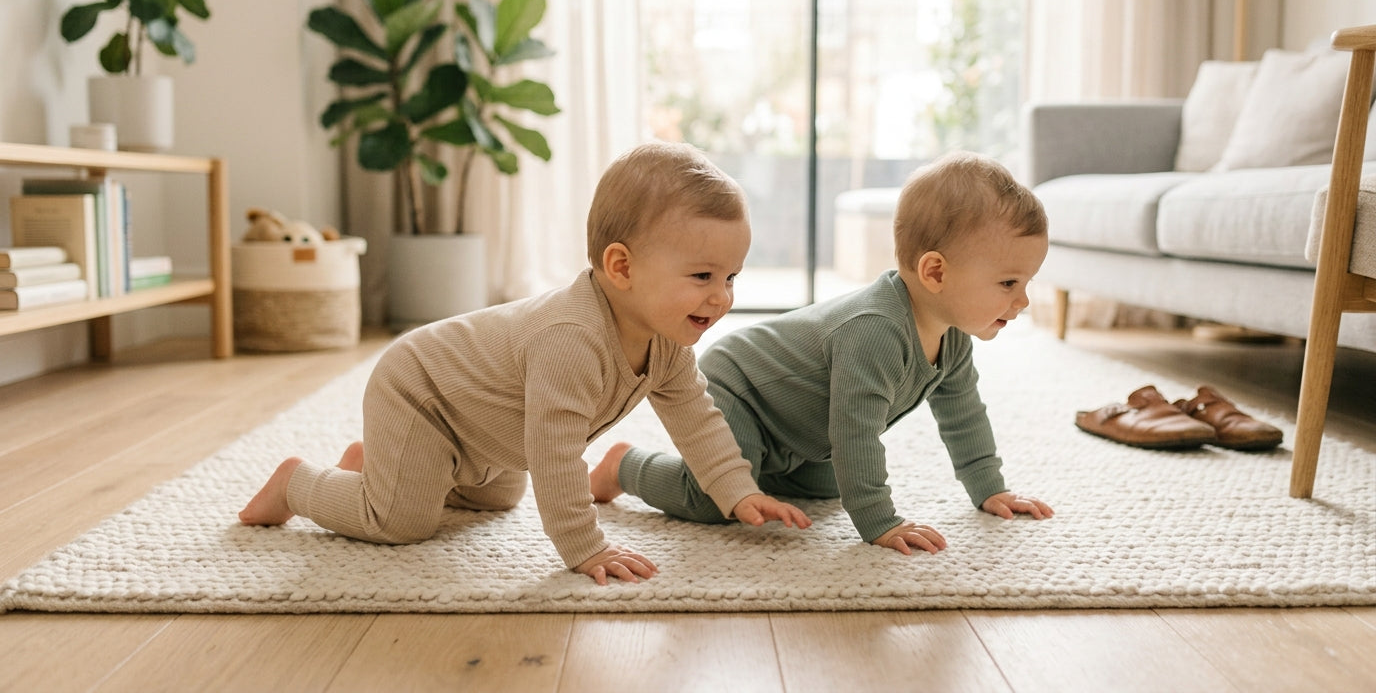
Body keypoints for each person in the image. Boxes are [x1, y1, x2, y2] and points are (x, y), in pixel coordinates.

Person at [239, 142, 812, 585]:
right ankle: (300, 484)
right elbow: (556, 454)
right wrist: (586, 546)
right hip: (422, 391)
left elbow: (696, 418)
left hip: (484, 429)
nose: (722, 297)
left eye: (731, 276)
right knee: (401, 523)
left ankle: (384, 465)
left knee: (499, 498)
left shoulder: (665, 342)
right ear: (621, 267)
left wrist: (737, 490)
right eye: (703, 277)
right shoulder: (571, 341)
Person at [590, 151, 1054, 556]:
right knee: (716, 501)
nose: (1023, 300)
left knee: (832, 485)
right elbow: (855, 433)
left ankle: (761, 468)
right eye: (1008, 283)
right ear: (934, 272)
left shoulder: (952, 339)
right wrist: (880, 522)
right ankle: (624, 465)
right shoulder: (874, 332)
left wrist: (990, 489)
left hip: (798, 431)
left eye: (1026, 283)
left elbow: (963, 414)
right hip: (742, 390)